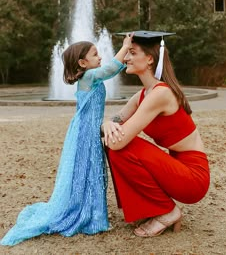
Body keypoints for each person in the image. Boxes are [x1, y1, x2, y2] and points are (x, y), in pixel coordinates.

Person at [0, 34, 132, 246]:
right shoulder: (89, 77)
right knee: (87, 170)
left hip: (88, 130)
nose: (100, 57)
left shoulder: (91, 76)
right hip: (85, 132)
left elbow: (113, 69)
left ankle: (90, 211)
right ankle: (86, 213)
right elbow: (109, 70)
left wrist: (126, 57)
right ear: (82, 63)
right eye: (95, 54)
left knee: (91, 170)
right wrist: (125, 47)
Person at [102, 30, 210, 238]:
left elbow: (117, 141)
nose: (125, 58)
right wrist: (107, 123)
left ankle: (167, 211)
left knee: (123, 146)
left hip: (193, 178)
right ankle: (156, 208)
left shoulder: (161, 94)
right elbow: (117, 119)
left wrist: (110, 128)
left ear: (149, 59)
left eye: (132, 52)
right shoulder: (143, 94)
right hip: (179, 169)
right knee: (117, 145)